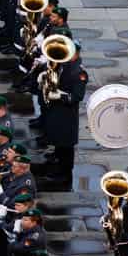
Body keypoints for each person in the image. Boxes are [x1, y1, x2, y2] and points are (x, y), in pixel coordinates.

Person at [39, 38, 89, 183]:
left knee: (66, 145)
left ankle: (64, 173)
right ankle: (57, 162)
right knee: (59, 141)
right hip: (57, 111)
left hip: (67, 113)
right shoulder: (65, 64)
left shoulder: (79, 72)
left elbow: (77, 96)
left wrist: (61, 95)